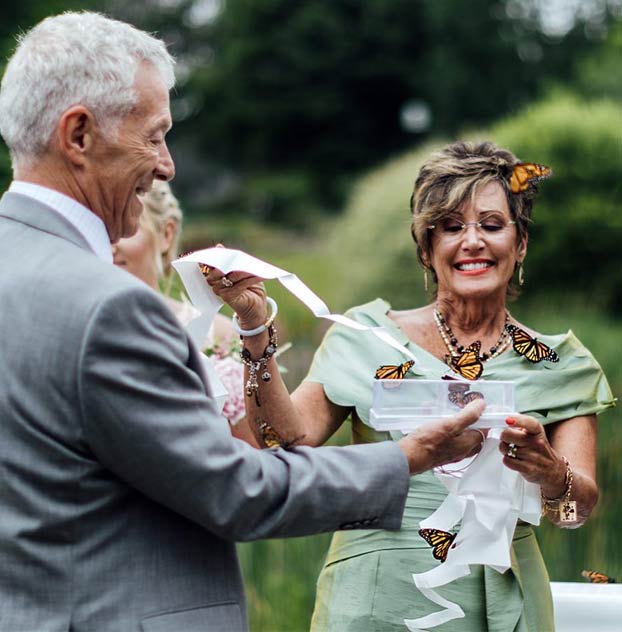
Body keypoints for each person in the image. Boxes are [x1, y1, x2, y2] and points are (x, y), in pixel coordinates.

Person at [0, 13, 486, 631]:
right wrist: (407, 458)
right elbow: (234, 492)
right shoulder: (109, 307)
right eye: (154, 136)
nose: (167, 165)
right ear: (78, 134)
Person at [208, 140, 614, 630]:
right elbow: (282, 442)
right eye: (451, 227)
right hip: (374, 596)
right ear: (426, 248)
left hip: (504, 602)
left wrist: (549, 471)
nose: (472, 242)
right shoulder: (366, 338)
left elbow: (573, 513)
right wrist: (254, 327)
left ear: (520, 243)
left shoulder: (562, 365)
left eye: (491, 225)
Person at [112, 180, 246, 425]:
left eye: (127, 228)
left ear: (166, 234)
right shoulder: (72, 329)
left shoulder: (218, 335)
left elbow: (255, 451)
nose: (111, 244)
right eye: (102, 228)